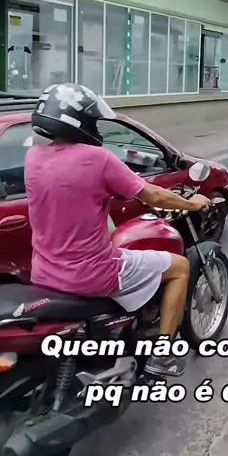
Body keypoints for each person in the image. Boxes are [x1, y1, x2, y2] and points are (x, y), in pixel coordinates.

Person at [25, 83, 211, 379]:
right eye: (93, 122)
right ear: (80, 122)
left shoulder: (33, 157)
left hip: (44, 272)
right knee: (179, 267)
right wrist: (192, 203)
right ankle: (163, 356)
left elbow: (73, 194)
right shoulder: (98, 159)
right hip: (90, 275)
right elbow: (153, 195)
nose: (96, 128)